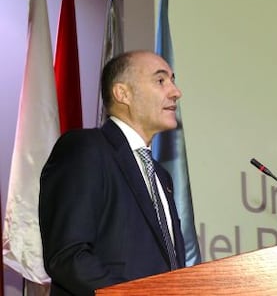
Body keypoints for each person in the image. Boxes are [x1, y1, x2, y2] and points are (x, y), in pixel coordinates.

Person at [39, 50, 187, 296]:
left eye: (173, 80)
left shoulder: (161, 176)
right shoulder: (86, 149)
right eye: (161, 81)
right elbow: (68, 255)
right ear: (122, 93)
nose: (176, 92)